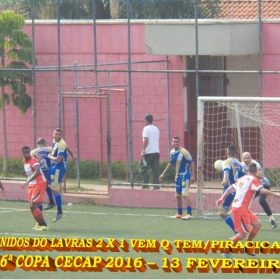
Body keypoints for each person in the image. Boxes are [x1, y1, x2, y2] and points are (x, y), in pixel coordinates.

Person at [216, 162, 280, 259]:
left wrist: (222, 198)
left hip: (242, 208)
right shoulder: (254, 180)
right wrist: (275, 194)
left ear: (248, 170)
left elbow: (229, 188)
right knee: (242, 233)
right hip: (241, 208)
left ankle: (248, 246)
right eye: (259, 170)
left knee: (257, 224)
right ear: (256, 171)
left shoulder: (242, 178)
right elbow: (262, 191)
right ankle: (226, 252)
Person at [159, 136, 195, 220]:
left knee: (185, 194)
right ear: (172, 143)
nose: (175, 143)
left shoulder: (184, 152)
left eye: (177, 142)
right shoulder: (172, 152)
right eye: (174, 142)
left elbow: (192, 163)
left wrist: (193, 175)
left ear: (179, 143)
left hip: (185, 175)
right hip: (178, 176)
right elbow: (171, 163)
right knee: (178, 195)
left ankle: (189, 214)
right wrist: (163, 174)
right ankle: (179, 213)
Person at [241, 151, 277, 229]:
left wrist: (248, 174)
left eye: (248, 158)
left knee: (261, 201)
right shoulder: (241, 165)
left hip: (263, 184)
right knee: (246, 201)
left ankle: (272, 219)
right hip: (253, 186)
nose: (246, 160)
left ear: (251, 158)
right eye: (244, 158)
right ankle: (246, 221)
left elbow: (260, 175)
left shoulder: (255, 164)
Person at [47, 128, 73, 222]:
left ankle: (59, 212)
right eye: (56, 134)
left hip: (58, 169)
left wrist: (49, 156)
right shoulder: (57, 141)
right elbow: (68, 147)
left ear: (61, 135)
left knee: (55, 190)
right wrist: (73, 155)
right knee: (46, 182)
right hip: (53, 167)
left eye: (59, 135)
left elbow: (58, 159)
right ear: (53, 134)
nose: (57, 136)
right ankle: (51, 202)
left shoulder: (61, 144)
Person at [21, 146, 48, 231]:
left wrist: (26, 182)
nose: (27, 154)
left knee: (34, 205)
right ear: (22, 153)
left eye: (28, 152)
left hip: (39, 184)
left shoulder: (34, 160)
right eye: (25, 153)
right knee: (31, 206)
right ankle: (39, 223)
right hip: (32, 185)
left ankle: (43, 225)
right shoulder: (24, 161)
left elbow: (37, 172)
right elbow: (29, 172)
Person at [219, 145, 245, 233]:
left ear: (228, 153)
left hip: (229, 190)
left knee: (222, 212)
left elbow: (226, 172)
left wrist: (224, 180)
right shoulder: (239, 163)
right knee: (236, 210)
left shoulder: (226, 162)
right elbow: (243, 176)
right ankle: (241, 228)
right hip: (238, 190)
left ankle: (236, 231)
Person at [31, 138, 55, 210]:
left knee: (40, 187)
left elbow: (32, 162)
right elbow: (54, 154)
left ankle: (40, 202)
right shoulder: (49, 149)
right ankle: (51, 201)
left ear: (37, 144)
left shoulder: (33, 152)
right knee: (46, 186)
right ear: (44, 143)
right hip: (48, 170)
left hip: (39, 172)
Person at [140, 114, 160, 190]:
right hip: (156, 152)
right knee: (155, 170)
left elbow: (146, 140)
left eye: (144, 120)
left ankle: (145, 184)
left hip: (148, 153)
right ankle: (156, 185)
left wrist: (143, 151)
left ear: (146, 120)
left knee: (143, 168)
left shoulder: (146, 129)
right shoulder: (156, 129)